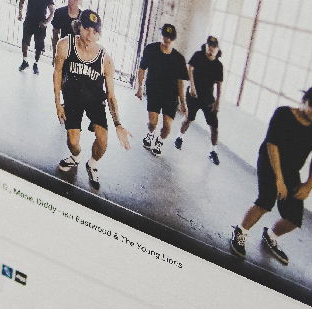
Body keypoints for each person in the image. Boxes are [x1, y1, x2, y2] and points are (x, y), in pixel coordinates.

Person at [229, 87, 312, 265]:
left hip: (292, 170)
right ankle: (240, 232)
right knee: (266, 201)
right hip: (270, 162)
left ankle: (271, 235)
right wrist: (278, 179)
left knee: (294, 218)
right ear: (304, 101)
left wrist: (309, 184)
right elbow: (272, 145)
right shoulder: (283, 114)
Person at [53, 9, 132, 189]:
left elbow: (111, 95)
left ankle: (92, 164)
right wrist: (58, 103)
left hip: (95, 100)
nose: (90, 34)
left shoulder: (106, 60)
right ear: (78, 26)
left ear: (99, 34)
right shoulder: (65, 45)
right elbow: (57, 72)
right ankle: (75, 158)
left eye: (95, 31)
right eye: (86, 28)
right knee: (73, 142)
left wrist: (118, 124)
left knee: (103, 141)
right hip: (72, 98)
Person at [135, 24, 187, 156]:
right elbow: (142, 69)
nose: (166, 40)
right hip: (154, 91)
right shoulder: (151, 49)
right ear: (162, 35)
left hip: (171, 96)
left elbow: (181, 82)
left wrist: (183, 102)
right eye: (165, 36)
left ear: (173, 39)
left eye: (169, 37)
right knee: (152, 123)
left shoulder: (179, 59)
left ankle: (160, 141)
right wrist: (139, 88)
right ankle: (150, 134)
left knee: (167, 127)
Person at [175, 36, 223, 165]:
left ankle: (213, 151)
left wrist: (218, 101)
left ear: (217, 49)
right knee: (189, 119)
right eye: (209, 45)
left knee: (214, 126)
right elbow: (190, 68)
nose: (211, 48)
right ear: (206, 46)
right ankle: (179, 137)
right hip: (194, 95)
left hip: (208, 98)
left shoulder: (218, 66)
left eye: (214, 46)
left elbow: (219, 84)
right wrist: (192, 87)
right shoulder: (198, 56)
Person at [18, 0, 55, 74]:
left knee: (39, 45)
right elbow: (21, 1)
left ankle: (36, 63)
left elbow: (52, 11)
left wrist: (45, 22)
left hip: (40, 22)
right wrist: (20, 13)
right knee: (25, 41)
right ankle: (25, 61)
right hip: (29, 20)